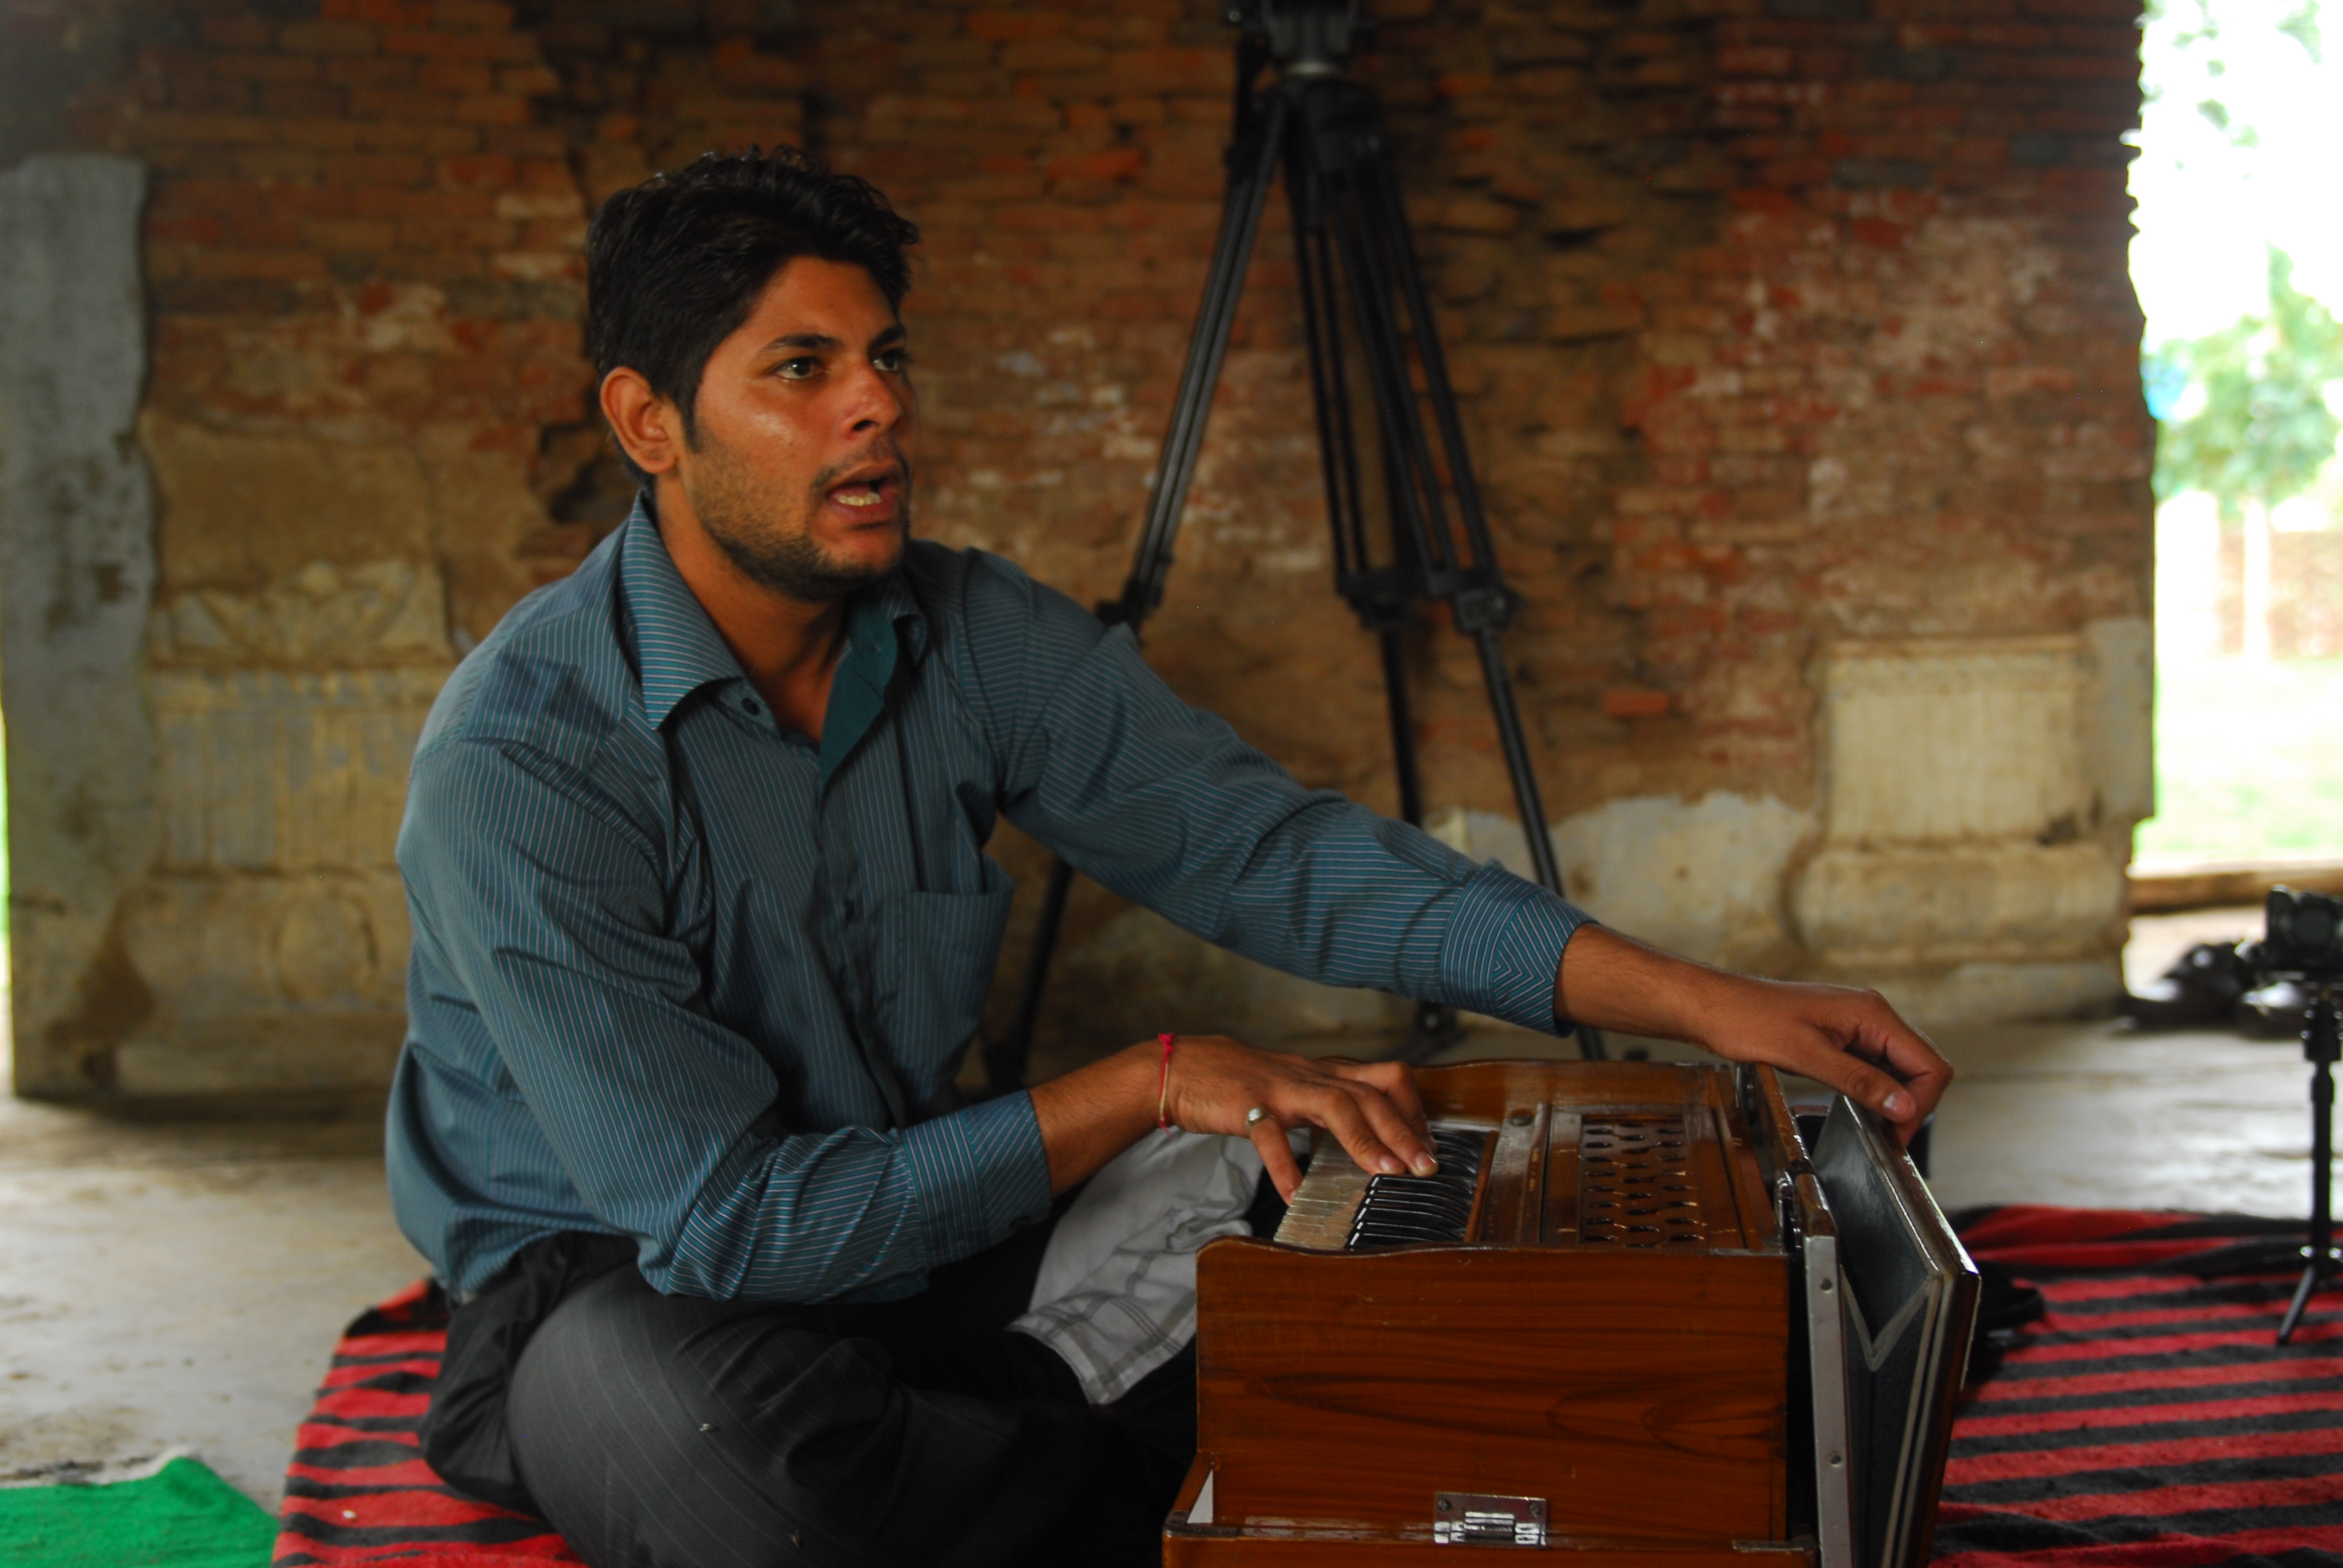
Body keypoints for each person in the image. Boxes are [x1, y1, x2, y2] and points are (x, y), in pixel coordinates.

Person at [385, 146, 1952, 1568]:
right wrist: (1150, 1080)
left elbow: (1277, 855)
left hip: (927, 1244)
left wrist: (1713, 1005)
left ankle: (1063, 1441)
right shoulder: (524, 758)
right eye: (804, 369)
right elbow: (736, 1227)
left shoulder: (969, 632)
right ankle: (1162, 1453)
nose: (879, 408)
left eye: (887, 358)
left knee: (1352, 1161)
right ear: (648, 422)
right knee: (729, 1462)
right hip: (632, 1288)